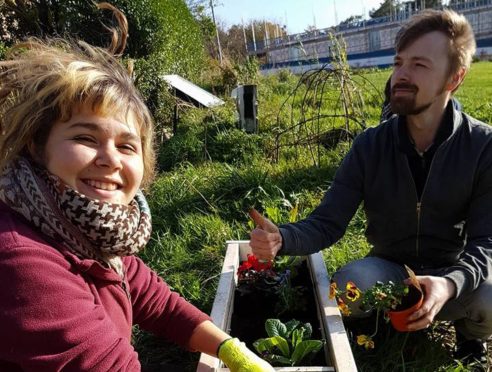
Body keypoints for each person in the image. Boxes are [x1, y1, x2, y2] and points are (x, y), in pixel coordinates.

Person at [0, 3, 274, 371]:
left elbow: (157, 302)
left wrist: (230, 348)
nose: (111, 159)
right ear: (37, 146)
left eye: (127, 146)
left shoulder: (82, 231)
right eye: (85, 137)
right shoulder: (19, 259)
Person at [249, 9, 492, 367]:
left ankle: (470, 339)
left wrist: (450, 284)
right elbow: (328, 221)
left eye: (420, 65)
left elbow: (487, 242)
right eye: (399, 62)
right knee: (345, 288)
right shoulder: (370, 146)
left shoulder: (482, 146)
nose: (401, 75)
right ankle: (384, 324)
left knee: (489, 297)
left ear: (454, 78)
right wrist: (282, 238)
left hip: (448, 270)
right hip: (389, 267)